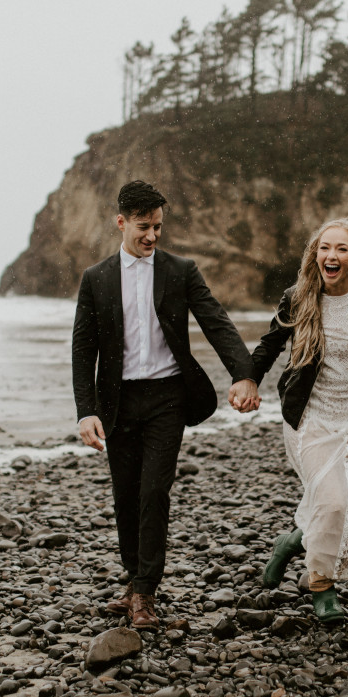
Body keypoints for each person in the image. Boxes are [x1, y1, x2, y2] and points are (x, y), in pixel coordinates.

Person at [72, 180, 260, 630]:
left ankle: (144, 594)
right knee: (125, 496)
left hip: (167, 398)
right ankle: (134, 578)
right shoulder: (95, 279)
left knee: (154, 491)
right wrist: (86, 409)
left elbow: (216, 320)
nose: (152, 236)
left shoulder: (180, 270)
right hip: (118, 401)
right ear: (120, 222)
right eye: (143, 227)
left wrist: (244, 372)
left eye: (157, 226)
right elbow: (84, 349)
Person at [249, 218, 348, 623]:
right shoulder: (299, 296)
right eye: (324, 248)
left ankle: (290, 543)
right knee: (335, 502)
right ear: (315, 254)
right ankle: (321, 587)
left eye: (340, 249)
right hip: (310, 416)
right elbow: (271, 343)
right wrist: (247, 378)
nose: (331, 256)